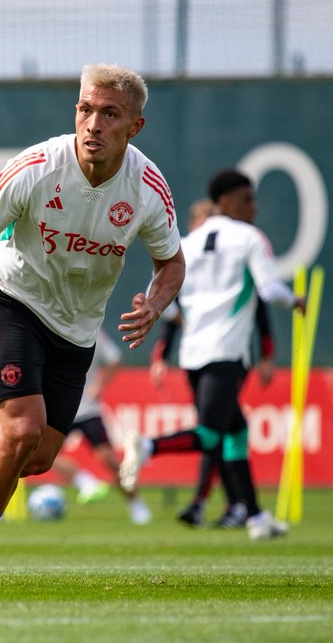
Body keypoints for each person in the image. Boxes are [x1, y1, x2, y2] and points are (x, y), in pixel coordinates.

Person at [0, 63, 184, 587]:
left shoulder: (147, 189)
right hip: (11, 297)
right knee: (19, 431)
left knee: (39, 455)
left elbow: (171, 262)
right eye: (85, 109)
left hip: (77, 329)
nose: (92, 124)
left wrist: (156, 303)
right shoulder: (39, 166)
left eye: (109, 114)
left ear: (134, 127)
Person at [120, 168, 304, 541]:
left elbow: (164, 302)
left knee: (235, 430)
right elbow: (269, 290)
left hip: (192, 355)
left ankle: (254, 517)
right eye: (247, 199)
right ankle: (147, 446)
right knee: (210, 434)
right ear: (225, 202)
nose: (254, 207)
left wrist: (149, 308)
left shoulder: (186, 243)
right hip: (226, 353)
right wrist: (296, 300)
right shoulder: (250, 238)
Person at [149, 198, 277, 528]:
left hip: (220, 354)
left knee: (226, 430)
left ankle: (241, 510)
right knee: (215, 432)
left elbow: (259, 305)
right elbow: (172, 308)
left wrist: (266, 353)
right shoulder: (187, 259)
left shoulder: (225, 257)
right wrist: (161, 354)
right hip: (209, 355)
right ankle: (151, 449)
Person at [48, 326, 152, 524]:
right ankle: (85, 481)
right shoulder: (49, 325)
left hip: (88, 410)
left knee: (111, 461)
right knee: (42, 456)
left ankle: (136, 503)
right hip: (60, 409)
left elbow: (115, 359)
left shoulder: (92, 328)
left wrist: (100, 386)